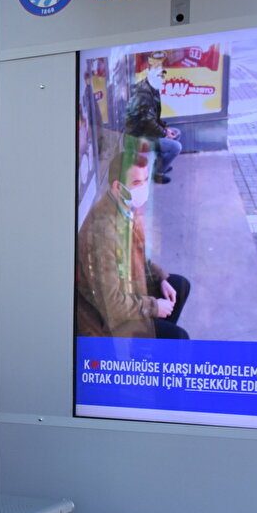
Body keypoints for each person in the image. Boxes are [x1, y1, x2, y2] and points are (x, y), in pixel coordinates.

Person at [75, 144, 191, 339]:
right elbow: (112, 304)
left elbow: (137, 256)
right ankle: (147, 344)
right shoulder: (103, 233)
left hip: (127, 287)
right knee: (178, 337)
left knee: (179, 286)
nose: (143, 188)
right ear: (117, 187)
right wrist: (154, 307)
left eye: (145, 180)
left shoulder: (123, 208)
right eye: (136, 183)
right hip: (107, 319)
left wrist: (161, 278)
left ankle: (152, 338)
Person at [125, 55, 181, 185]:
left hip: (148, 133)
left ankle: (160, 164)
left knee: (176, 132)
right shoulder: (143, 94)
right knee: (176, 147)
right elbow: (148, 123)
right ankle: (158, 173)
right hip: (139, 137)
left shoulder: (152, 90)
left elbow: (155, 117)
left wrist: (165, 128)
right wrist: (164, 133)